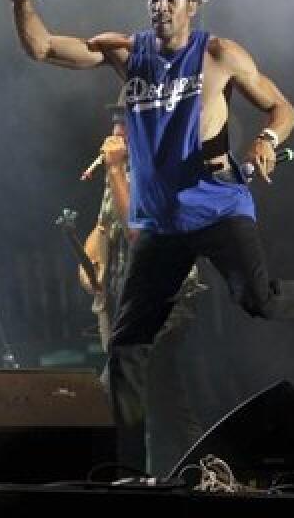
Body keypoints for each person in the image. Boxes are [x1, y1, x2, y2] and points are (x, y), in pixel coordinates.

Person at [0, 0, 294, 474]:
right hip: (161, 223)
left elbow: (283, 109)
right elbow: (43, 47)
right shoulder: (127, 53)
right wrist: (23, 3)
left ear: (193, 7)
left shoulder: (220, 54)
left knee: (258, 301)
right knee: (127, 346)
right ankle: (128, 469)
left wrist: (266, 140)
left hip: (218, 204)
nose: (160, 6)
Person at [81, 98, 205, 477]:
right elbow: (104, 227)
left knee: (112, 389)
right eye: (115, 124)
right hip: (135, 300)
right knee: (167, 398)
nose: (116, 133)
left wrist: (116, 170)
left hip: (168, 298)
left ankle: (123, 476)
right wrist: (90, 265)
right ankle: (204, 473)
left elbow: (138, 231)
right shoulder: (122, 169)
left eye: (125, 126)